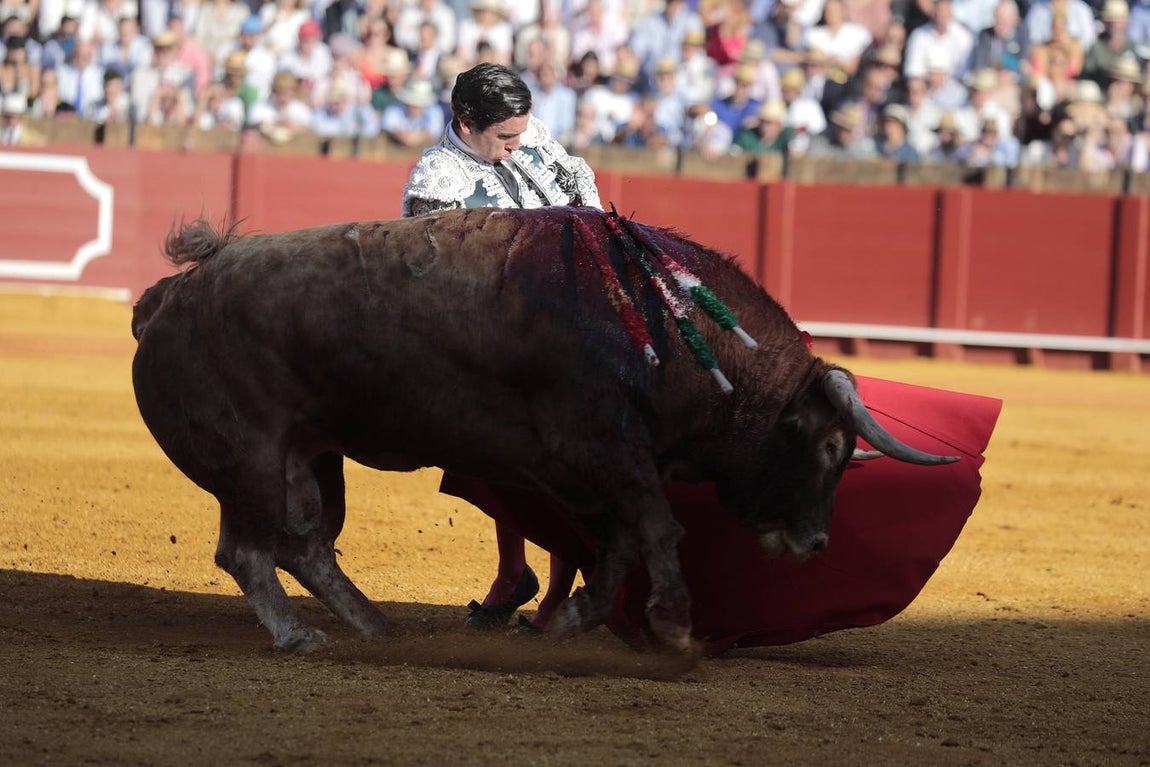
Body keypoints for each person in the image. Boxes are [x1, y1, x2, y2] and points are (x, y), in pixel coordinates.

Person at [401, 62, 602, 632]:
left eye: (520, 133)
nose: (516, 148)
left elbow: (582, 193)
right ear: (466, 123)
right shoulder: (438, 180)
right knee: (509, 456)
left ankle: (549, 589)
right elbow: (440, 286)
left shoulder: (528, 135)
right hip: (499, 344)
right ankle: (521, 574)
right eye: (503, 139)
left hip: (573, 323)